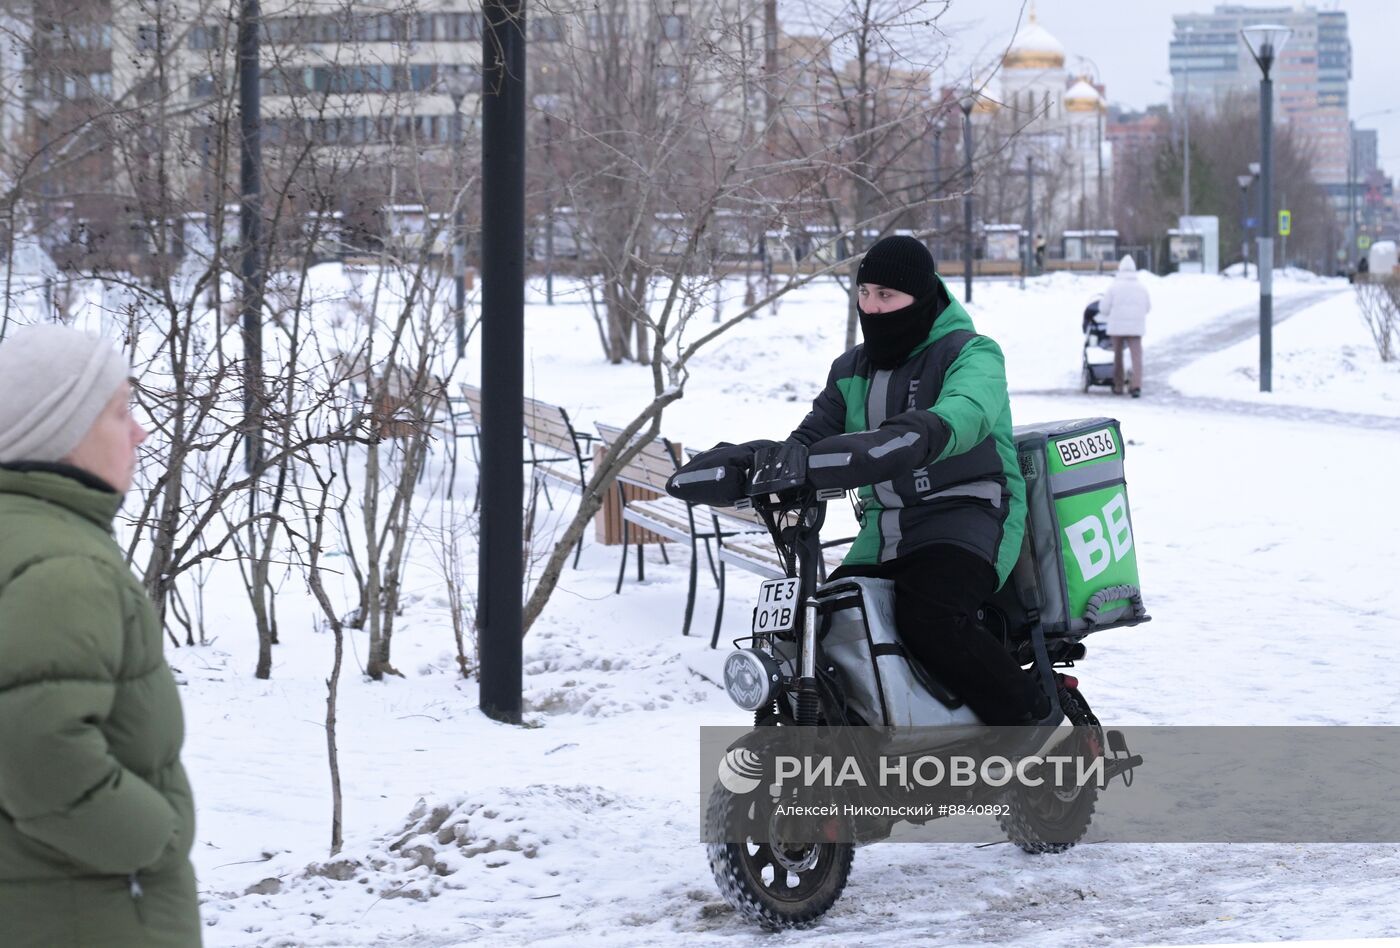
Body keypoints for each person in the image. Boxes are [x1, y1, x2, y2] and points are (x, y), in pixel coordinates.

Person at [679, 236, 1047, 725]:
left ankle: (1034, 725)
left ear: (922, 297)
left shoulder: (972, 353)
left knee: (929, 618)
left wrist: (919, 435)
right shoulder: (852, 369)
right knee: (828, 624)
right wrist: (763, 460)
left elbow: (968, 411)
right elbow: (812, 438)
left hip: (970, 517)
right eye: (865, 292)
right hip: (886, 529)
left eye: (887, 297)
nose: (872, 306)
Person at [0, 325, 202, 947]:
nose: (140, 431)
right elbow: (34, 744)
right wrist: (150, 837)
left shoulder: (26, 535)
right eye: (120, 411)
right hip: (89, 909)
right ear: (59, 430)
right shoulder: (63, 565)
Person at [1099, 254, 1150, 398]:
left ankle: (1118, 385)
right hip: (1136, 328)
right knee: (1136, 357)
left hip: (1117, 328)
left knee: (1118, 356)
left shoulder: (1114, 286)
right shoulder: (1141, 287)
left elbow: (1104, 308)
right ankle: (1136, 386)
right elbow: (1148, 307)